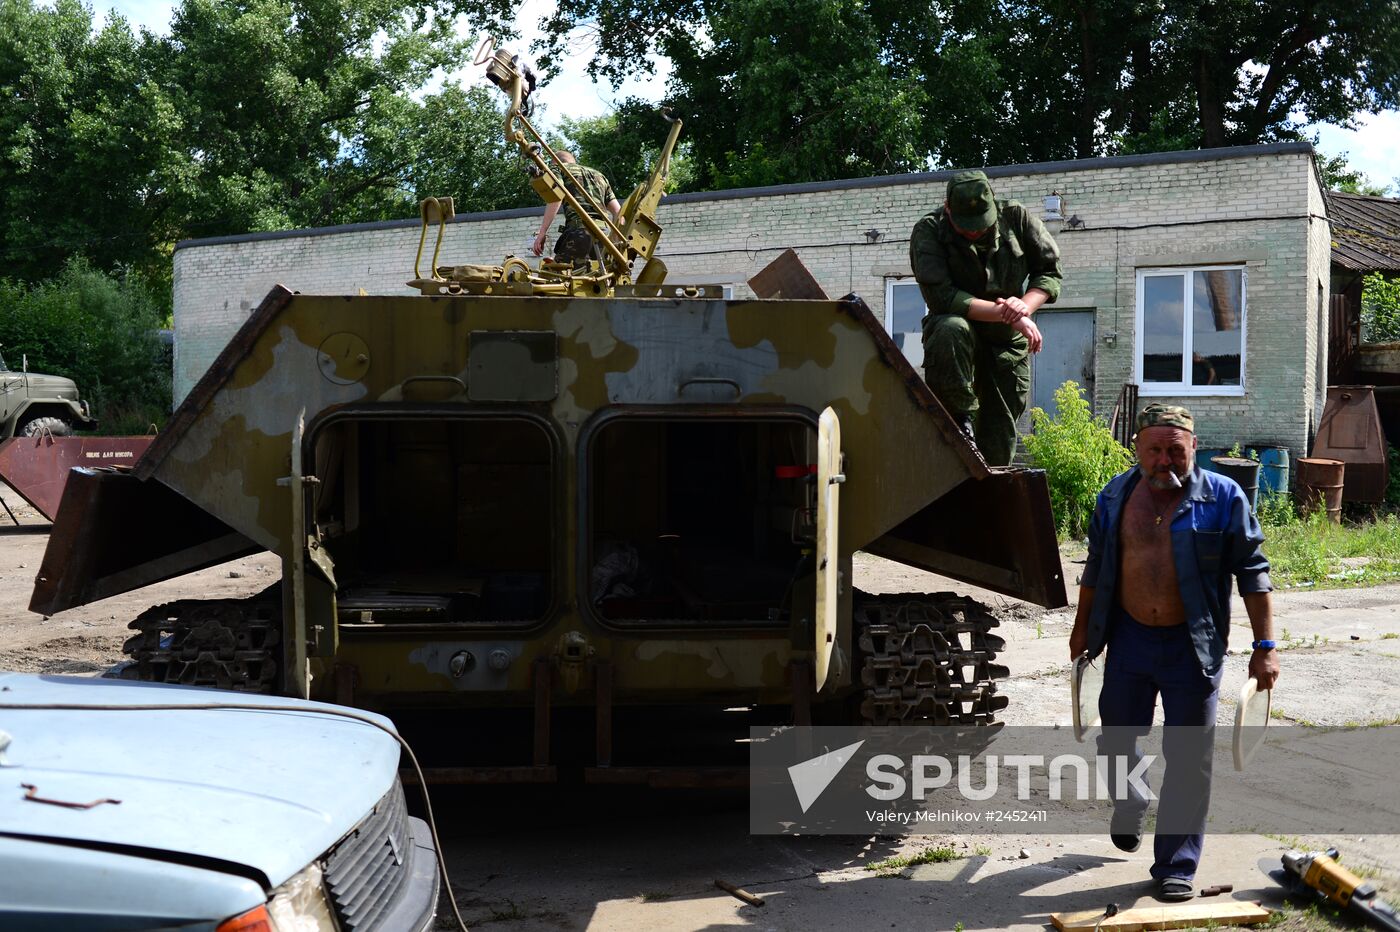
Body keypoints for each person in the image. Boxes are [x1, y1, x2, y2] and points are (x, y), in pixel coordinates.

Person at [1068, 403, 1280, 901]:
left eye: (1175, 451)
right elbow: (1096, 568)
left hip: (1194, 645)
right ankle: (1131, 798)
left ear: (1194, 446)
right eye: (1155, 450)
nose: (1165, 461)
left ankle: (1175, 866)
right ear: (1137, 448)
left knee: (1189, 757)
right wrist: (1081, 630)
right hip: (1128, 638)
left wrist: (1265, 647)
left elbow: (1254, 573)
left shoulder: (1224, 498)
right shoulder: (1115, 496)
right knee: (1117, 738)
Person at [909, 169, 1063, 466]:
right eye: (965, 226)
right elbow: (942, 297)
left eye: (980, 225)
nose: (974, 232)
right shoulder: (929, 231)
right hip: (956, 339)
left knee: (997, 447)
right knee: (950, 327)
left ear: (993, 205)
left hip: (1005, 347)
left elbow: (1049, 271)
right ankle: (960, 421)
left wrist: (1024, 308)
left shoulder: (1016, 218)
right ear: (947, 209)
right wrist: (1007, 314)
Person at [530, 151, 622, 265]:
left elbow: (556, 198)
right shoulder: (599, 176)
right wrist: (614, 240)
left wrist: (542, 233)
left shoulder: (557, 169)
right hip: (604, 236)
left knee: (557, 275)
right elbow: (618, 212)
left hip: (579, 233)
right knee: (599, 278)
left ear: (555, 162)